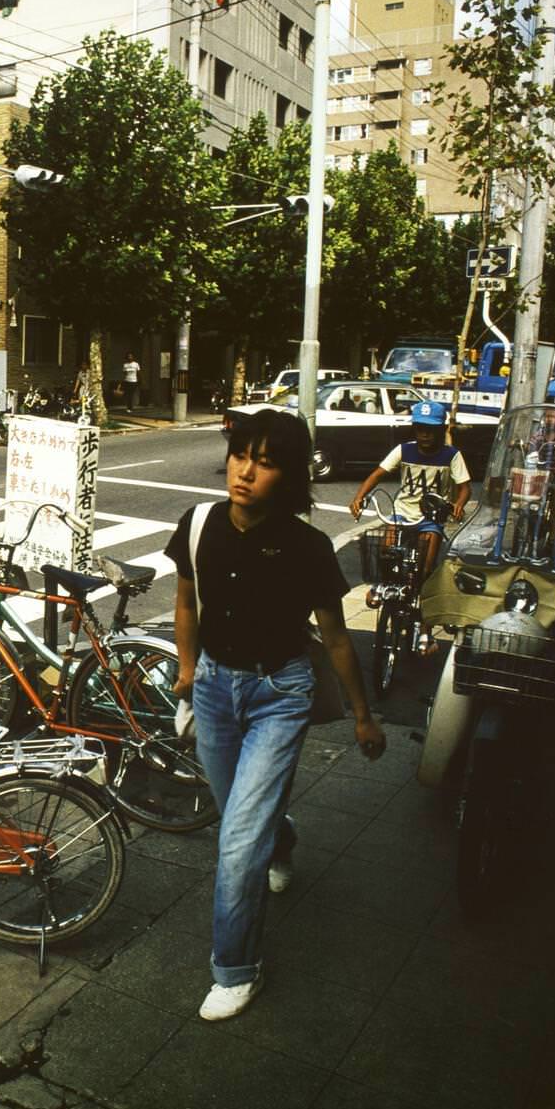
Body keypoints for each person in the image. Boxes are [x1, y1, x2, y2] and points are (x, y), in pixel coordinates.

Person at [167, 409, 386, 1022]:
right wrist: (187, 671)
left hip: (279, 694)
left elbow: (337, 638)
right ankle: (280, 839)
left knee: (237, 840)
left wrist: (363, 716)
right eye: (242, 455)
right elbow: (186, 602)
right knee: (242, 808)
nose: (246, 472)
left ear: (287, 476)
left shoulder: (307, 546)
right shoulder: (199, 523)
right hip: (213, 687)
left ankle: (236, 970)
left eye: (265, 463)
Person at [349, 399, 471, 585]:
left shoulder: (452, 455)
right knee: (386, 551)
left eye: (431, 429)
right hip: (402, 512)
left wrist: (458, 505)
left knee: (425, 565)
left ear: (441, 429)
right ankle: (385, 588)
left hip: (431, 517)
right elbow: (377, 474)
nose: (425, 434)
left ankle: (419, 594)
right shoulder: (404, 450)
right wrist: (359, 497)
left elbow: (465, 488)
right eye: (420, 428)